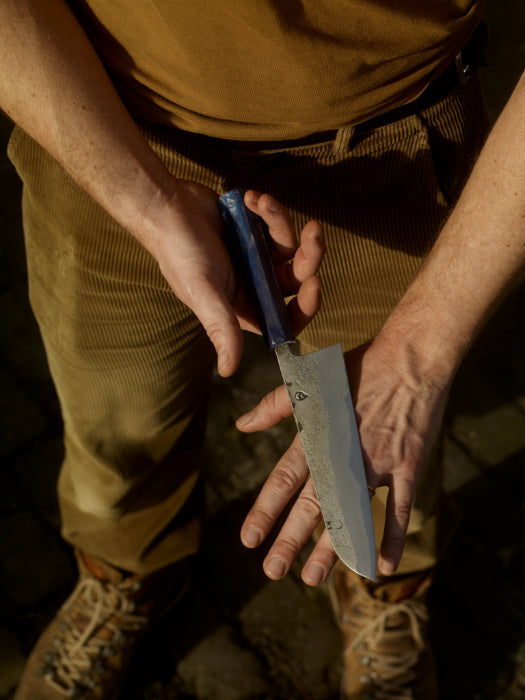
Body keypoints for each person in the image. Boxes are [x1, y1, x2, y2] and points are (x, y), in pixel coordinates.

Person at [1, 1, 523, 698]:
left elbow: (401, 391)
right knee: (113, 419)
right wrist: (145, 202)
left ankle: (381, 589)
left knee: (380, 444)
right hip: (101, 125)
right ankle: (124, 573)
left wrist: (417, 357)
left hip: (393, 141)